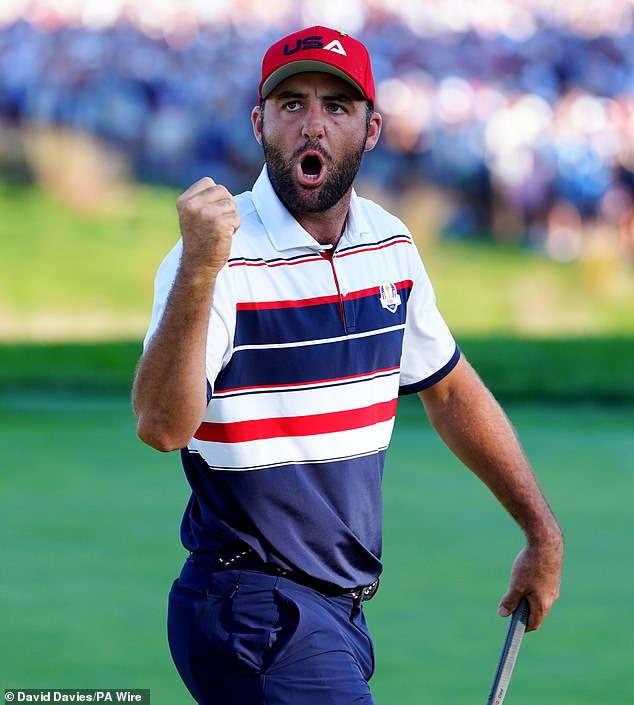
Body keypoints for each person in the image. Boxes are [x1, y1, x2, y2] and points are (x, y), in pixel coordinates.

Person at [132, 25, 563, 705]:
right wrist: (199, 268)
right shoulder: (216, 259)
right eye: (292, 104)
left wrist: (540, 531)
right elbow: (162, 425)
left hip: (341, 614)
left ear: (371, 129)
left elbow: (450, 391)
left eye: (337, 107)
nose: (314, 125)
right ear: (260, 123)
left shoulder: (390, 244)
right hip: (254, 611)